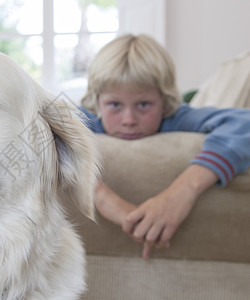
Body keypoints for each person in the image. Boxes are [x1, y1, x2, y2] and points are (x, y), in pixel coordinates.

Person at [79, 34, 250, 259]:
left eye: (143, 104)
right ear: (97, 102)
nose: (129, 119)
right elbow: (35, 133)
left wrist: (181, 193)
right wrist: (102, 196)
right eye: (115, 105)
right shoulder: (86, 120)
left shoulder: (177, 117)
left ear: (164, 101)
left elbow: (244, 123)